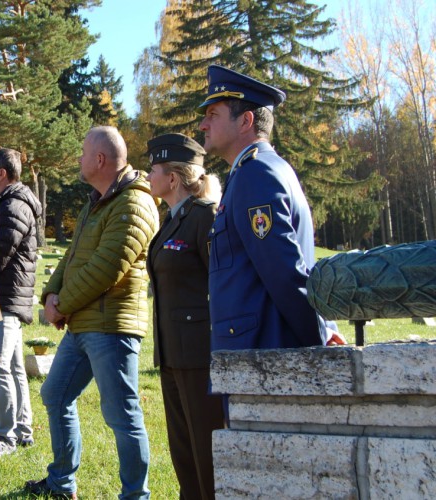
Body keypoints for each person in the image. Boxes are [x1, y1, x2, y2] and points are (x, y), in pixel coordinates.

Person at [25, 126, 158, 499]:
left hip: (113, 328)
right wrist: (51, 292)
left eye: (84, 153)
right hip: (84, 323)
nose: (79, 159)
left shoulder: (135, 203)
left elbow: (105, 269)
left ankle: (135, 495)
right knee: (55, 395)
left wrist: (63, 304)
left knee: (121, 415)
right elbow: (73, 256)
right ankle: (61, 483)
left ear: (100, 160)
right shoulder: (96, 201)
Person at [198, 64, 327, 350]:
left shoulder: (255, 174)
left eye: (212, 115)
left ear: (245, 121)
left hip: (263, 355)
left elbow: (285, 272)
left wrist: (320, 339)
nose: (202, 125)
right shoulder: (256, 170)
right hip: (255, 353)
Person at [145, 133, 224, 500]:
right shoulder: (173, 220)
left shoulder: (203, 217)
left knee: (206, 450)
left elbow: (221, 285)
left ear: (173, 179)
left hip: (198, 355)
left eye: (153, 169)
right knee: (183, 450)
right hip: (171, 355)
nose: (147, 176)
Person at [0, 148, 40, 457]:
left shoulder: (13, 205)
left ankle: (4, 436)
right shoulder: (9, 202)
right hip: (8, 295)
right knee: (15, 366)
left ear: (1, 173)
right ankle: (23, 429)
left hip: (5, 296)